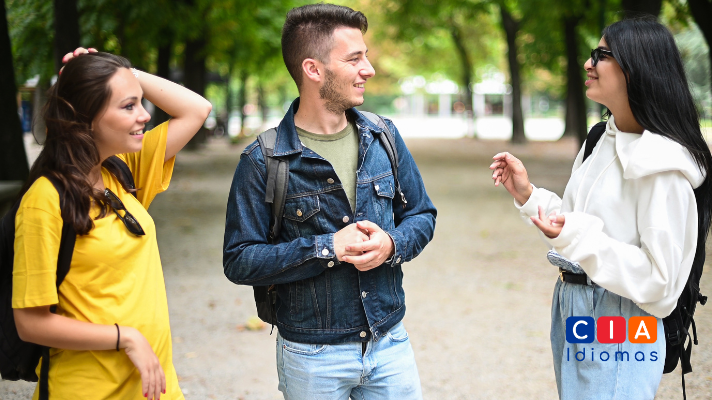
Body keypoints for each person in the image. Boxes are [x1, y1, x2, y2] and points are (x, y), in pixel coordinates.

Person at [490, 17, 712, 399]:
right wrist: (529, 196)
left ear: (636, 68)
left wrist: (576, 238)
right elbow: (580, 223)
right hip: (574, 303)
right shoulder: (600, 140)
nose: (588, 64)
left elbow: (660, 284)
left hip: (621, 315)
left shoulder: (661, 165)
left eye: (602, 55)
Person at [223, 4, 437, 399]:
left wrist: (391, 244)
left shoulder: (383, 136)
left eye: (366, 56)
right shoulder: (263, 160)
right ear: (314, 70)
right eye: (355, 59)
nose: (368, 69)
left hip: (390, 343)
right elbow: (240, 260)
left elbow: (422, 215)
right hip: (311, 356)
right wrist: (327, 248)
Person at [12, 48, 212, 400]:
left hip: (156, 388)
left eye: (140, 103)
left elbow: (196, 109)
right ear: (86, 117)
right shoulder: (44, 200)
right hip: (89, 391)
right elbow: (30, 322)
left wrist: (121, 69)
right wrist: (126, 337)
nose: (145, 115)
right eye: (128, 106)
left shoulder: (121, 172)